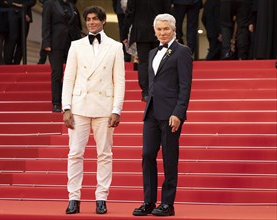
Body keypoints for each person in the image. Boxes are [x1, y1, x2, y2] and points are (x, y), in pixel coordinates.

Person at [62, 6, 125, 215]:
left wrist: (117, 109)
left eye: (95, 19)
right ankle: (73, 197)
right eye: (88, 19)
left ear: (103, 21)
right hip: (79, 105)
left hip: (104, 107)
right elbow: (68, 78)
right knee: (75, 153)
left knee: (104, 154)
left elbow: (120, 81)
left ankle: (101, 198)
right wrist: (66, 107)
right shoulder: (76, 45)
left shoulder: (115, 47)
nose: (91, 22)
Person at [132, 13, 192, 217]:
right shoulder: (151, 53)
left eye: (166, 29)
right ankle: (149, 201)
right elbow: (153, 83)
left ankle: (168, 204)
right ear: (154, 30)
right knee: (147, 155)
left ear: (174, 29)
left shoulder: (182, 52)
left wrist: (179, 112)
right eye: (159, 29)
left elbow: (185, 85)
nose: (162, 33)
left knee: (169, 158)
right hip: (151, 112)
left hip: (170, 114)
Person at [122, 0, 172, 102]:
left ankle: (145, 92)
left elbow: (129, 13)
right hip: (159, 31)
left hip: (141, 31)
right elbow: (168, 13)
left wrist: (124, 32)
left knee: (144, 63)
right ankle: (158, 90)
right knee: (160, 61)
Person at [42, 0, 81, 112]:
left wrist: (79, 44)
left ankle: (70, 101)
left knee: (72, 74)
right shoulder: (50, 3)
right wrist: (46, 42)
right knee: (57, 73)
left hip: (72, 44)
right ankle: (56, 103)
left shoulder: (71, 5)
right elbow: (46, 23)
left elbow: (77, 26)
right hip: (56, 44)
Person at [3, 0, 36, 65]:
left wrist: (24, 6)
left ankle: (16, 63)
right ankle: (8, 63)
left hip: (26, 13)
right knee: (13, 38)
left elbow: (33, 1)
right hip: (13, 12)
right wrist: (17, 5)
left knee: (22, 41)